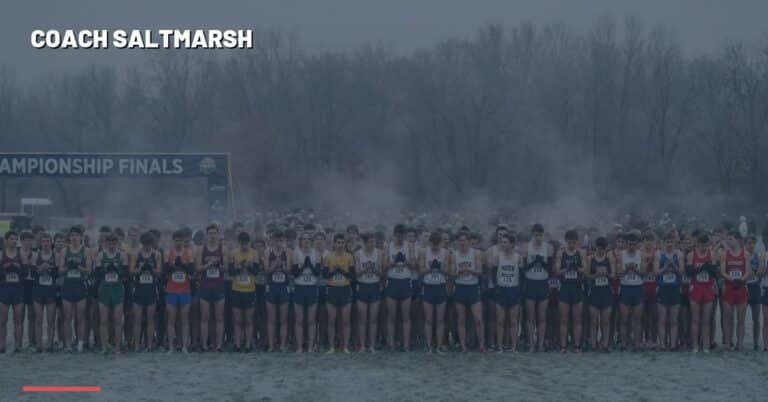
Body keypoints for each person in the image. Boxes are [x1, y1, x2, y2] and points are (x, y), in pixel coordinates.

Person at [93, 233, 129, 353]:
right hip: (104, 289)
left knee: (118, 320)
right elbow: (97, 273)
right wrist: (106, 270)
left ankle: (117, 347)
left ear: (117, 243)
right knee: (103, 320)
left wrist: (117, 271)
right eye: (109, 243)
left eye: (114, 243)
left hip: (117, 289)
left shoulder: (122, 255)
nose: (111, 245)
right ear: (105, 243)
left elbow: (126, 273)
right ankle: (104, 346)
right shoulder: (100, 255)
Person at [196, 224, 229, 352]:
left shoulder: (223, 249)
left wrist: (219, 265)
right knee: (205, 317)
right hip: (205, 286)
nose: (212, 235)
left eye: (215, 233)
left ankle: (219, 345)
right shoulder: (201, 249)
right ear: (207, 235)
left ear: (218, 234)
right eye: (210, 233)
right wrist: (208, 264)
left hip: (219, 287)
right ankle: (204, 345)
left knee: (219, 317)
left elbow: (226, 269)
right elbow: (197, 269)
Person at [554, 230, 587, 353]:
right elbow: (557, 271)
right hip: (565, 287)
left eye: (574, 242)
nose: (572, 245)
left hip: (577, 287)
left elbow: (585, 270)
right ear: (566, 241)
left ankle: (577, 345)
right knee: (563, 319)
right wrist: (567, 268)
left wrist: (577, 268)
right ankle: (563, 346)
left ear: (577, 242)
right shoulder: (561, 253)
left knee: (577, 319)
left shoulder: (581, 253)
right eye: (569, 242)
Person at [384, 224, 416, 351]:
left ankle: (406, 345)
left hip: (405, 282)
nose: (400, 237)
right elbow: (384, 267)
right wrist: (395, 261)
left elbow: (414, 266)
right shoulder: (388, 247)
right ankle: (391, 344)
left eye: (402, 235)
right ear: (394, 234)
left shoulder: (409, 246)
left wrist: (405, 260)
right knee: (392, 316)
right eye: (398, 235)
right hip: (392, 282)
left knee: (406, 316)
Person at [452, 232, 485, 352]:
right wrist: (459, 272)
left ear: (469, 241)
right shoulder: (454, 255)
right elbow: (452, 274)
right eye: (460, 240)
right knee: (461, 319)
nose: (462, 243)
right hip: (460, 287)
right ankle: (463, 345)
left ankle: (482, 345)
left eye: (464, 240)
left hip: (473, 287)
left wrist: (468, 270)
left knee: (478, 319)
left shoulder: (475, 253)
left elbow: (480, 271)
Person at [59, 227, 91, 352]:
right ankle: (68, 344)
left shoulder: (86, 251)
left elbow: (89, 270)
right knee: (67, 317)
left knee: (80, 317)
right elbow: (60, 270)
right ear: (69, 237)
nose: (74, 238)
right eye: (72, 235)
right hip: (68, 285)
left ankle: (80, 343)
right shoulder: (64, 251)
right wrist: (68, 267)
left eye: (76, 235)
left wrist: (77, 266)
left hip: (80, 285)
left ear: (81, 237)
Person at [523, 224, 553, 352]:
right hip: (530, 282)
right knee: (530, 317)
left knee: (542, 317)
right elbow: (523, 269)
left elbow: (550, 269)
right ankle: (531, 344)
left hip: (543, 283)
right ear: (532, 234)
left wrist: (543, 262)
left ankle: (540, 344)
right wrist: (534, 262)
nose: (539, 237)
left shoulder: (548, 248)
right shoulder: (526, 247)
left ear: (543, 235)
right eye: (536, 235)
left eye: (540, 235)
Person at [323, 234, 355, 354]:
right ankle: (331, 347)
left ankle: (345, 346)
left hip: (345, 289)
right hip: (332, 289)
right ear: (334, 244)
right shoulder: (328, 257)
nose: (340, 245)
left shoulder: (349, 257)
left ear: (345, 244)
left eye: (342, 243)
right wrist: (333, 271)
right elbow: (325, 275)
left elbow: (352, 276)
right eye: (338, 242)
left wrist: (342, 270)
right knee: (332, 320)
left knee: (345, 320)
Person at [419, 231, 450, 353]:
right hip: (428, 287)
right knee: (428, 319)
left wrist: (440, 269)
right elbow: (420, 271)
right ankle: (429, 346)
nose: (436, 247)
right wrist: (431, 268)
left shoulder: (445, 253)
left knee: (440, 319)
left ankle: (438, 345)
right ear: (430, 242)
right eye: (434, 244)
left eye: (438, 244)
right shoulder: (424, 252)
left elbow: (449, 272)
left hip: (440, 287)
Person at [131, 232, 162, 352]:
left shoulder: (157, 254)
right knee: (137, 319)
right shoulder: (136, 254)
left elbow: (159, 273)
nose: (147, 247)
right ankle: (137, 345)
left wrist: (151, 268)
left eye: (149, 244)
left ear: (152, 244)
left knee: (150, 319)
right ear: (141, 244)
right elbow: (131, 272)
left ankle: (149, 345)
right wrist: (140, 269)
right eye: (145, 244)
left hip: (151, 289)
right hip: (139, 289)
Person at [165, 230, 194, 353]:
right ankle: (171, 347)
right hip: (171, 290)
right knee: (171, 319)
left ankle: (184, 347)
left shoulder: (189, 254)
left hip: (185, 291)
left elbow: (192, 272)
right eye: (176, 240)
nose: (178, 242)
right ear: (173, 241)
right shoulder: (168, 253)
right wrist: (173, 266)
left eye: (181, 240)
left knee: (184, 319)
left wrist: (183, 264)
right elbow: (164, 272)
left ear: (184, 241)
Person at [687, 234, 717, 353]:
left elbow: (714, 272)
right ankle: (695, 345)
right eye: (701, 244)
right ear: (697, 244)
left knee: (706, 319)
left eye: (706, 245)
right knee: (695, 319)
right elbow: (689, 272)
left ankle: (705, 345)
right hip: (696, 287)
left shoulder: (712, 254)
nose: (703, 247)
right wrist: (702, 268)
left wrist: (706, 267)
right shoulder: (691, 255)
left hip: (708, 287)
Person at [720, 231, 750, 351]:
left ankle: (740, 343)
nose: (728, 241)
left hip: (741, 287)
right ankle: (728, 343)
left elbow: (748, 271)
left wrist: (741, 280)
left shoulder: (745, 254)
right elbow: (722, 271)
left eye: (731, 239)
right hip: (729, 287)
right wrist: (732, 279)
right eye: (728, 239)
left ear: (737, 240)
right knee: (728, 318)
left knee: (741, 319)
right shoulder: (725, 254)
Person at [229, 232, 259, 352]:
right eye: (242, 243)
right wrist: (240, 267)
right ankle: (237, 344)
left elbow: (256, 271)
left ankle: (247, 344)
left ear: (249, 243)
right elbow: (231, 272)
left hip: (250, 290)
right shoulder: (234, 253)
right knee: (237, 319)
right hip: (237, 289)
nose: (244, 246)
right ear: (239, 243)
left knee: (248, 319)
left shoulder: (254, 253)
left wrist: (250, 266)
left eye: (246, 243)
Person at [654, 232, 683, 351]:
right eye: (667, 242)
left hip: (675, 289)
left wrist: (674, 267)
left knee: (674, 319)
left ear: (674, 242)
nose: (669, 244)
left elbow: (681, 272)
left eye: (671, 242)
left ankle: (673, 344)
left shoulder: (679, 254)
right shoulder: (659, 254)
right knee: (662, 319)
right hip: (663, 289)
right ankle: (661, 344)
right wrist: (666, 268)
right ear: (663, 243)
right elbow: (656, 272)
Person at [493, 233, 521, 353]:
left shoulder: (518, 257)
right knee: (500, 320)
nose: (503, 244)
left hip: (513, 290)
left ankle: (513, 346)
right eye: (502, 242)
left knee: (513, 321)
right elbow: (494, 271)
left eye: (505, 242)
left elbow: (522, 274)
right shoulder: (498, 257)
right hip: (501, 289)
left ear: (512, 244)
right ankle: (499, 346)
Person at [356, 232, 384, 353]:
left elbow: (382, 273)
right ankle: (362, 346)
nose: (372, 244)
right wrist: (365, 269)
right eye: (370, 242)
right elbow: (356, 274)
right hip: (362, 286)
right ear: (364, 242)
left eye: (373, 242)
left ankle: (371, 346)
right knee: (362, 319)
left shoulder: (379, 253)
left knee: (373, 319)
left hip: (374, 286)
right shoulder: (358, 254)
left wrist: (374, 269)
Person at [265, 230, 292, 352]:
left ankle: (282, 345)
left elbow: (290, 271)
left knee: (283, 319)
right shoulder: (267, 252)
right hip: (271, 286)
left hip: (283, 287)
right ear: (272, 241)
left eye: (281, 240)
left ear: (284, 241)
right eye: (276, 240)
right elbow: (266, 271)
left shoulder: (288, 252)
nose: (278, 243)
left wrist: (283, 266)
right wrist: (275, 265)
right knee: (271, 318)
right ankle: (271, 345)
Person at [616, 233, 644, 351]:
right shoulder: (621, 255)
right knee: (624, 318)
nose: (632, 246)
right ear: (627, 244)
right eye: (630, 244)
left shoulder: (640, 254)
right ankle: (623, 342)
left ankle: (637, 343)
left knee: (638, 318)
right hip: (625, 287)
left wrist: (635, 269)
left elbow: (644, 274)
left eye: (634, 244)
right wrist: (628, 268)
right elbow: (618, 274)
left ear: (637, 244)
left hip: (637, 288)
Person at [586, 237, 615, 351]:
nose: (601, 250)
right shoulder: (590, 258)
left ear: (606, 248)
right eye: (599, 248)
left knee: (605, 320)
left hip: (606, 291)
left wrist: (606, 274)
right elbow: (587, 275)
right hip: (594, 291)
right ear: (596, 247)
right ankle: (593, 345)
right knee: (593, 320)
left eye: (603, 248)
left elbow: (614, 275)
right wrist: (596, 275)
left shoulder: (609, 258)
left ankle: (605, 344)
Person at [32, 232, 58, 352]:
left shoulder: (56, 256)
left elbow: (58, 274)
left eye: (48, 241)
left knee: (50, 319)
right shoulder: (35, 255)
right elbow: (32, 274)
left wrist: (50, 269)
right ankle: (38, 344)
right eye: (44, 241)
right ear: (40, 243)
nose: (46, 244)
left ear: (51, 243)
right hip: (38, 290)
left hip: (51, 291)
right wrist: (40, 269)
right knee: (38, 319)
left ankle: (50, 344)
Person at [0, 231, 26, 353]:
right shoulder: (1, 254)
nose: (14, 241)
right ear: (6, 240)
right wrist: (4, 269)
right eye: (12, 239)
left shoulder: (21, 254)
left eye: (16, 239)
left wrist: (18, 267)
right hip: (4, 290)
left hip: (18, 289)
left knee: (18, 320)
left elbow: (26, 273)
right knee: (2, 320)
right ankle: (2, 344)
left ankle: (17, 345)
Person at [744, 235, 762, 350]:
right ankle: (739, 341)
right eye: (749, 243)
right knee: (741, 318)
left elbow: (759, 274)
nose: (751, 245)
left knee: (756, 318)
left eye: (753, 243)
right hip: (744, 287)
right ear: (745, 244)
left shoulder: (758, 256)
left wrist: (756, 271)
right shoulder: (741, 255)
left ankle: (755, 343)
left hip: (755, 288)